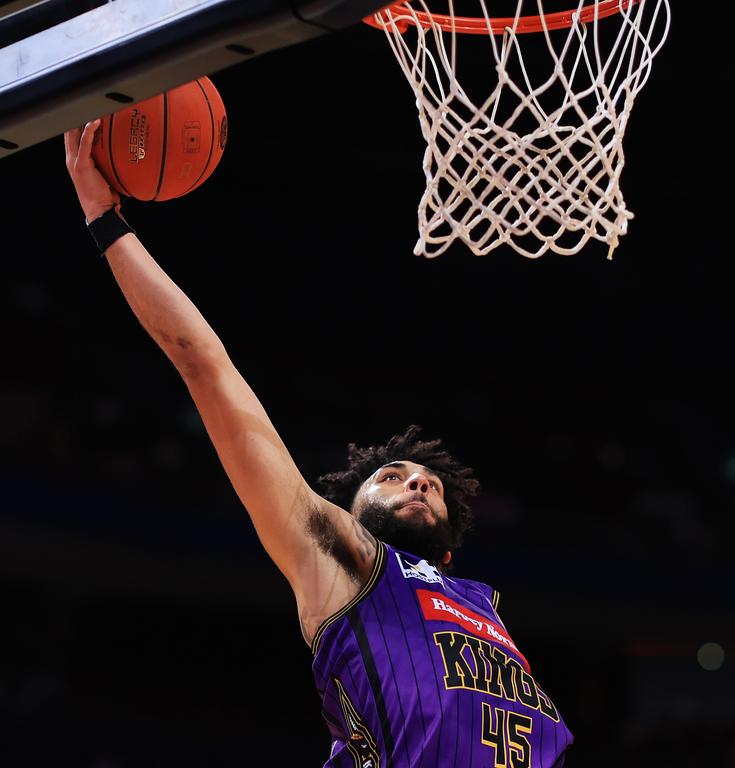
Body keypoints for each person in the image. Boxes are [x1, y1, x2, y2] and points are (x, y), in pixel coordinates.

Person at [65, 120, 574, 767]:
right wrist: (105, 221)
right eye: (391, 475)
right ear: (350, 509)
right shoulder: (340, 559)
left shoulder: (483, 608)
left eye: (431, 484)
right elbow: (204, 363)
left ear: (449, 548)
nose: (417, 481)